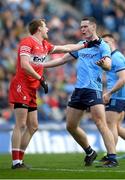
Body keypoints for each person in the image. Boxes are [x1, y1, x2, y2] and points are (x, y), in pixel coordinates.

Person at [9, 18, 97, 169]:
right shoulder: (27, 42)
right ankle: (16, 162)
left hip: (32, 87)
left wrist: (84, 44)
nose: (48, 29)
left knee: (34, 126)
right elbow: (24, 65)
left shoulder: (44, 45)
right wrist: (40, 78)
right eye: (45, 26)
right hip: (21, 85)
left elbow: (65, 48)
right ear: (38, 29)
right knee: (21, 124)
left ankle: (20, 160)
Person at [43, 17, 118, 167]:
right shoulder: (80, 45)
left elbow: (108, 65)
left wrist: (104, 65)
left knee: (100, 123)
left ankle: (112, 158)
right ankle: (90, 151)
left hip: (93, 90)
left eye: (85, 26)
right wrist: (42, 65)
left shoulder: (103, 46)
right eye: (81, 27)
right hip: (79, 90)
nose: (82, 29)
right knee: (70, 126)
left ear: (93, 27)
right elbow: (62, 60)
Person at [100, 34, 125, 161]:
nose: (104, 44)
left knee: (110, 125)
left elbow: (123, 79)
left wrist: (110, 93)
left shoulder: (116, 57)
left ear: (113, 42)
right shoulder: (112, 57)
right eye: (102, 42)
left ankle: (111, 156)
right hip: (120, 96)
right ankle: (111, 154)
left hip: (117, 96)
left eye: (107, 42)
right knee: (116, 127)